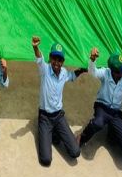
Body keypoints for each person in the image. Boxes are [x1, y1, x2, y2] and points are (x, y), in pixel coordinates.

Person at [31, 36, 85, 166]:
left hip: (59, 116)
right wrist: (35, 47)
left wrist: (83, 70)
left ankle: (55, 132)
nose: (56, 62)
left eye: (60, 60)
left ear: (63, 62)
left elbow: (72, 76)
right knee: (46, 160)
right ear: (50, 58)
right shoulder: (45, 70)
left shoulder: (64, 73)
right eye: (54, 58)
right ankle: (46, 132)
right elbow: (39, 59)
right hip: (45, 117)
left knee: (75, 152)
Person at [77, 50, 122, 154]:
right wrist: (92, 60)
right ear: (114, 72)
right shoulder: (106, 73)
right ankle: (82, 137)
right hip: (102, 108)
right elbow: (93, 73)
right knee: (98, 123)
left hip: (116, 113)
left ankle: (112, 131)